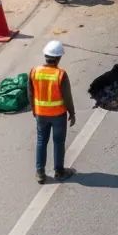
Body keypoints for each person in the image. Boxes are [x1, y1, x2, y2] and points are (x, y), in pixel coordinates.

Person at [30, 40, 76, 184]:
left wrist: (34, 110)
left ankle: (40, 173)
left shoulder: (34, 71)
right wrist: (72, 113)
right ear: (59, 58)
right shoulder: (60, 75)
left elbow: (30, 94)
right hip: (58, 115)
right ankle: (59, 171)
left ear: (46, 55)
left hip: (41, 115)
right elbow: (67, 96)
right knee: (58, 142)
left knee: (41, 141)